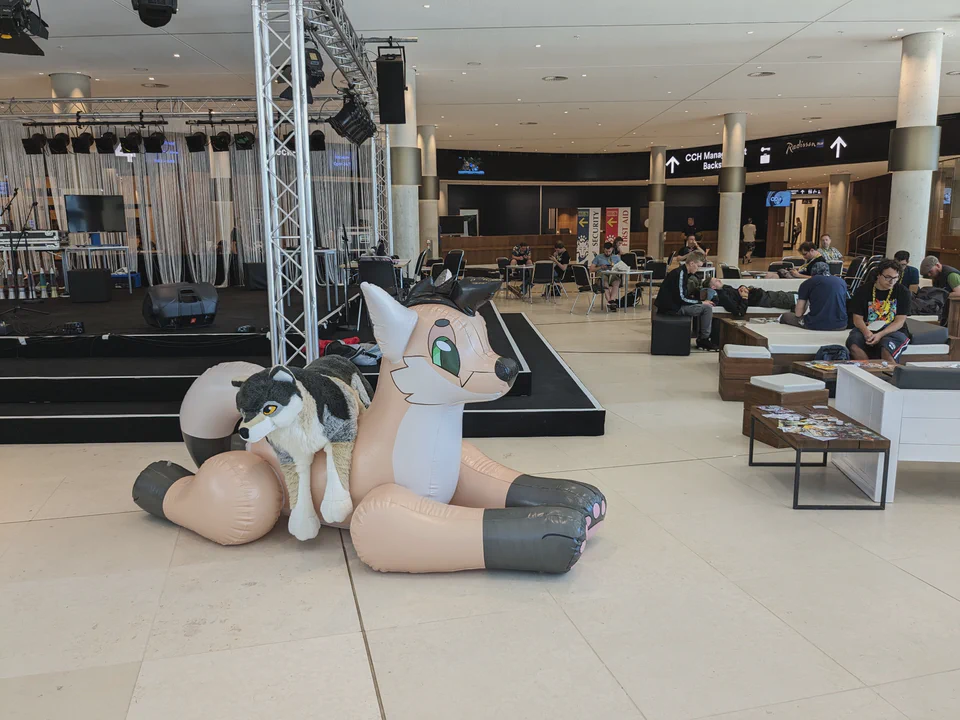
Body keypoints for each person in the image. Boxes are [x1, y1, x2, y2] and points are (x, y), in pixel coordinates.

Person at [846, 258, 912, 364]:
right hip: (868, 327)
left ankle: (891, 377)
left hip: (893, 330)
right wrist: (867, 333)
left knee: (886, 348)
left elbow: (899, 322)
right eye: (888, 277)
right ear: (878, 275)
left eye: (895, 278)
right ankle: (868, 372)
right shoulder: (863, 290)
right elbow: (857, 318)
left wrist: (880, 335)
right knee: (853, 344)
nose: (892, 281)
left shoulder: (903, 292)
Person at [655, 251, 718, 350]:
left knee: (703, 306)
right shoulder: (680, 273)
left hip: (674, 305)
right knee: (707, 309)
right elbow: (682, 298)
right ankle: (703, 340)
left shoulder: (683, 273)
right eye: (697, 266)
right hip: (672, 308)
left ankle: (701, 337)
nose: (698, 269)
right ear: (692, 263)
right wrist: (701, 302)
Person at [779, 274, 849, 331]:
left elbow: (798, 314)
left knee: (786, 316)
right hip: (841, 325)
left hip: (815, 324)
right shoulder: (841, 281)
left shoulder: (808, 282)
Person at [705, 277, 795, 318]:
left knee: (791, 294)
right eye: (716, 281)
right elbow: (739, 312)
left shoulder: (724, 287)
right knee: (791, 299)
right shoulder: (723, 296)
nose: (719, 280)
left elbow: (736, 291)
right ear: (713, 287)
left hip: (763, 294)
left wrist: (743, 287)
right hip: (762, 299)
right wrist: (744, 298)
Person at [590, 242, 622, 311]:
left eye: (609, 251)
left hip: (612, 274)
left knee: (616, 282)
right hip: (601, 275)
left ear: (612, 249)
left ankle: (611, 301)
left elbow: (622, 267)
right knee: (605, 282)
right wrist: (600, 267)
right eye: (606, 251)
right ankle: (611, 302)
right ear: (603, 250)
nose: (607, 253)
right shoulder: (598, 257)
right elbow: (591, 269)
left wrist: (615, 268)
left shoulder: (616, 257)